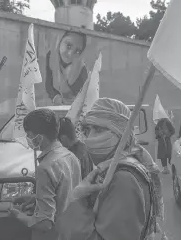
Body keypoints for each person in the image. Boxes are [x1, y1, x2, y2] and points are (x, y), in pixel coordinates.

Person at [55, 98, 167, 240]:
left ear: (121, 132)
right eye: (87, 130)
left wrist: (76, 200)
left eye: (99, 129)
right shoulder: (113, 168)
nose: (89, 137)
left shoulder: (123, 179)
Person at [8, 108, 82, 240]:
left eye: (29, 135)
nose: (28, 139)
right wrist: (36, 197)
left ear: (39, 137)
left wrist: (16, 214)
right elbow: (64, 194)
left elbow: (44, 223)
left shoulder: (45, 167)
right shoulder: (71, 156)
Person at [45, 31, 89, 105]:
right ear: (60, 40)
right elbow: (48, 85)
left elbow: (84, 94)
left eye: (77, 51)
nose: (70, 53)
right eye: (68, 46)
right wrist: (55, 97)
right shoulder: (51, 56)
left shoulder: (81, 69)